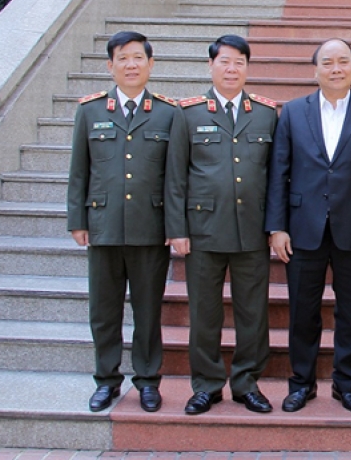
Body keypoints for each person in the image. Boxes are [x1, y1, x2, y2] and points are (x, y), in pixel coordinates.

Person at [265, 38, 351, 414]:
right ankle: (301, 384)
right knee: (302, 311)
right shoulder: (292, 112)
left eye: (343, 62)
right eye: (328, 62)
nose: (336, 68)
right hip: (302, 228)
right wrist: (277, 227)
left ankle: (346, 383)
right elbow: (279, 172)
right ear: (315, 70)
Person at [165, 34, 279, 415]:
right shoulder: (188, 112)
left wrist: (276, 225)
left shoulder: (265, 113)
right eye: (225, 62)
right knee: (205, 313)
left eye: (239, 62)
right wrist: (177, 229)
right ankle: (208, 385)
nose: (232, 69)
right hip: (203, 230)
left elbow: (276, 174)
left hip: (251, 229)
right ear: (210, 66)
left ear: (248, 67)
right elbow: (175, 176)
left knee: (253, 313)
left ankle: (247, 383)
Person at [67, 30, 176, 413]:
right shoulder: (90, 110)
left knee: (147, 311)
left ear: (150, 64)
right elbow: (79, 172)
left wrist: (175, 227)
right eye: (123, 58)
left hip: (151, 227)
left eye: (137, 58)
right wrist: (77, 220)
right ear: (110, 66)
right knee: (104, 310)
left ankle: (147, 381)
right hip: (104, 226)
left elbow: (174, 178)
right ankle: (106, 380)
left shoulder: (168, 112)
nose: (131, 64)